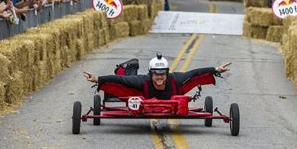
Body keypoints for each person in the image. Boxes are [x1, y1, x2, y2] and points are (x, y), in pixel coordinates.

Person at [83, 54, 232, 100]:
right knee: (125, 80)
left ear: (167, 73)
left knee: (192, 76)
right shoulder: (142, 81)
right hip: (141, 95)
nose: (160, 77)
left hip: (171, 96)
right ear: (151, 73)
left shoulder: (176, 80)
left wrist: (216, 69)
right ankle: (127, 67)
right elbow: (120, 80)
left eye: (162, 74)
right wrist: (98, 79)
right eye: (156, 74)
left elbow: (194, 73)